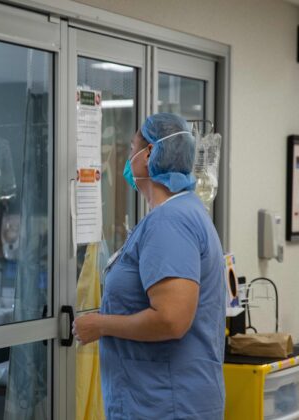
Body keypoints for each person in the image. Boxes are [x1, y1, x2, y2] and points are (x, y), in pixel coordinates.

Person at [73, 113, 226, 419]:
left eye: (132, 150)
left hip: (166, 403)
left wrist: (100, 324)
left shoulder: (170, 220)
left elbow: (171, 320)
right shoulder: (180, 212)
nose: (128, 160)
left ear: (151, 154)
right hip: (161, 398)